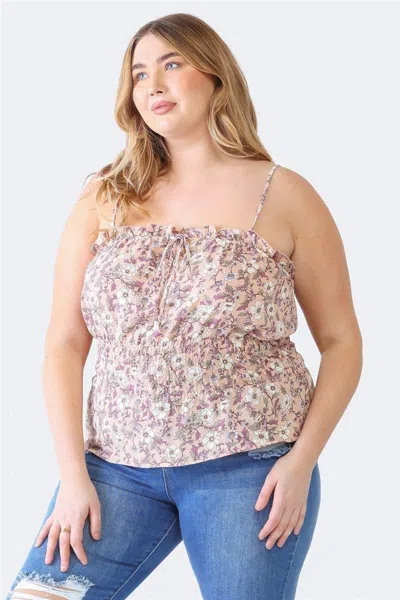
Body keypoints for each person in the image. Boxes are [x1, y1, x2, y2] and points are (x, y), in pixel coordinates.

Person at [7, 12, 363, 600]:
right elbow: (64, 344)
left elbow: (342, 343)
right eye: (139, 73)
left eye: (172, 64)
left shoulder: (285, 195)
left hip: (249, 470)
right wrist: (72, 476)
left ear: (216, 76)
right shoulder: (104, 197)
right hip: (116, 469)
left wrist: (301, 462)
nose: (153, 84)